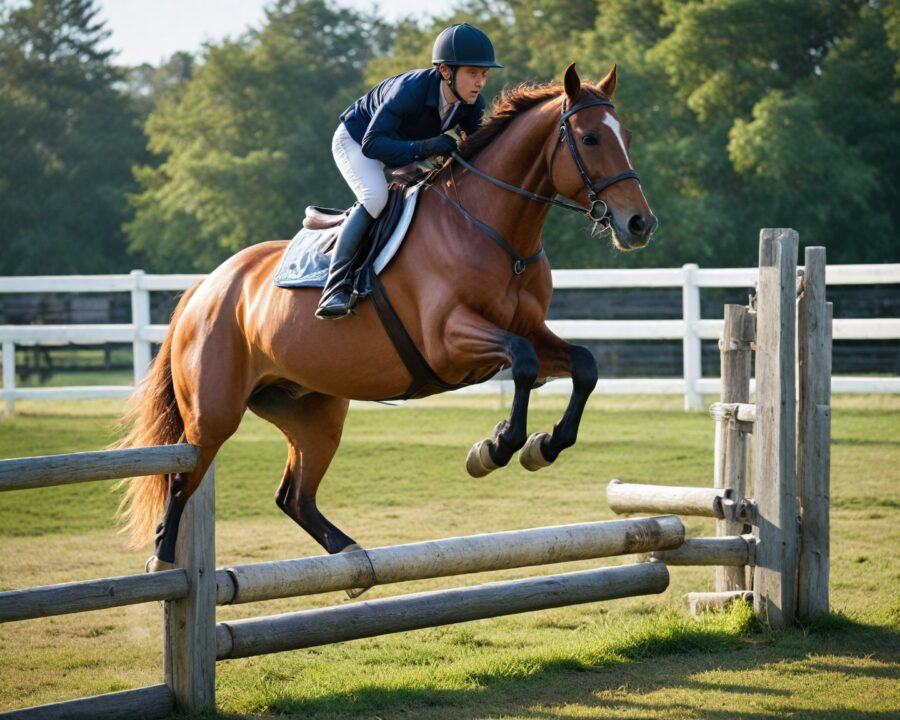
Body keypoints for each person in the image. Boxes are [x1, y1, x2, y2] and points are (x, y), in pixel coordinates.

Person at [315, 23, 503, 319]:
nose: (480, 82)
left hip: (401, 144)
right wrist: (428, 147)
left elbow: (481, 150)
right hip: (358, 139)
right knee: (375, 197)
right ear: (445, 72)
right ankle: (334, 287)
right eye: (472, 73)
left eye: (484, 74)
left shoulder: (469, 103)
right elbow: (373, 145)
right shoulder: (410, 91)